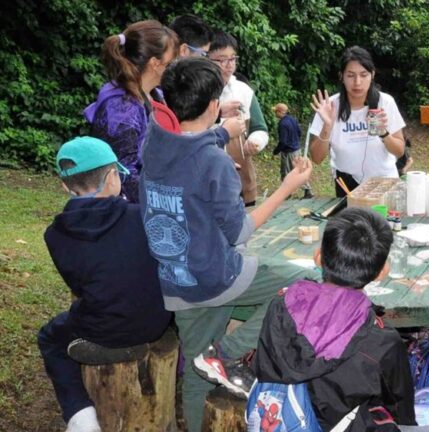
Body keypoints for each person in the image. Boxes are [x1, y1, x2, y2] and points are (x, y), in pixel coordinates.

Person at [139, 57, 316, 432]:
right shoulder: (213, 163)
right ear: (213, 106)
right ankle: (227, 354)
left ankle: (208, 368)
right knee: (308, 286)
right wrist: (288, 186)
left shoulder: (154, 142)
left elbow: (187, 145)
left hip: (178, 281)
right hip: (219, 276)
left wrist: (220, 132)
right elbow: (239, 233)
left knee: (197, 372)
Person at [38, 137, 171, 432]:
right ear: (112, 177)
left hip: (100, 327)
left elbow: (79, 285)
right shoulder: (142, 216)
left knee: (50, 337)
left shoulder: (54, 235)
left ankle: (80, 416)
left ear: (65, 186)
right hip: (155, 321)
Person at [253, 207, 417, 430]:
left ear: (318, 257)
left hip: (279, 419)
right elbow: (399, 407)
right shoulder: (381, 341)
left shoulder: (281, 306)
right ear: (382, 272)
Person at [83, 20, 179, 203]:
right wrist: (164, 202)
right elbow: (123, 174)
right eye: (172, 61)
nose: (175, 66)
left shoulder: (153, 93)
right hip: (124, 211)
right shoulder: (122, 108)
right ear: (155, 64)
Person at [309, 46, 406, 197]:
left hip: (385, 184)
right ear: (341, 76)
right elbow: (316, 158)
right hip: (347, 186)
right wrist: (328, 126)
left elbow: (399, 151)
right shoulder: (330, 106)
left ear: (372, 75)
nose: (357, 82)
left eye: (363, 75)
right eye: (351, 75)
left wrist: (383, 133)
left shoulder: (384, 102)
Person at [209, 30, 269, 206]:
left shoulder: (243, 91)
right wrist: (220, 117)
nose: (229, 65)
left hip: (242, 184)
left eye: (233, 58)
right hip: (208, 184)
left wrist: (255, 141)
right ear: (206, 59)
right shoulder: (197, 91)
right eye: (222, 59)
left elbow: (260, 128)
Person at [273, 102, 313, 198]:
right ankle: (307, 190)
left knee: (285, 171)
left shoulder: (282, 124)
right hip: (297, 149)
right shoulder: (293, 119)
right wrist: (295, 142)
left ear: (280, 112)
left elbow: (283, 142)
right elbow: (299, 132)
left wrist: (276, 151)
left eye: (276, 112)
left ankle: (287, 193)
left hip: (288, 152)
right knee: (300, 170)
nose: (275, 114)